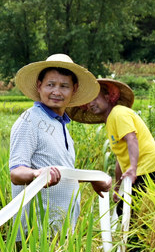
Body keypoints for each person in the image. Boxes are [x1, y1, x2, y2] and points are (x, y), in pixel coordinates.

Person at [8, 54, 111, 238]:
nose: (57, 91)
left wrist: (92, 179)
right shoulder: (29, 121)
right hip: (36, 232)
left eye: (64, 86)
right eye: (50, 85)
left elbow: (61, 171)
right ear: (39, 86)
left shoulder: (60, 125)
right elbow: (16, 173)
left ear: (74, 89)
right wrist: (36, 174)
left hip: (60, 229)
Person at [68, 78, 155, 199]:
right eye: (88, 102)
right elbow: (120, 157)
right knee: (126, 210)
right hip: (140, 168)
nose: (91, 104)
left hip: (148, 166)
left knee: (128, 210)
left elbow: (131, 139)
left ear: (108, 97)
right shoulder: (111, 119)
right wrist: (118, 187)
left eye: (95, 98)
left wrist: (133, 169)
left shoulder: (119, 114)